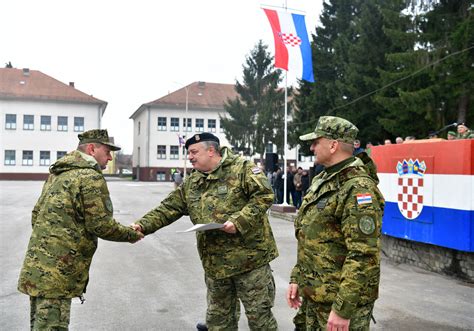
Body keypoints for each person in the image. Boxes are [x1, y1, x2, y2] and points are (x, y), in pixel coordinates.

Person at [131, 132, 279, 331]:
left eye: (193, 152)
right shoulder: (193, 182)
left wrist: (239, 221)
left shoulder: (242, 169)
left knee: (260, 320)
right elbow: (169, 208)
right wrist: (143, 225)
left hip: (250, 262)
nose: (189, 157)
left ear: (211, 151)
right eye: (188, 153)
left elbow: (264, 196)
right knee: (218, 321)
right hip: (216, 266)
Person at [18, 129, 144, 330]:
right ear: (92, 149)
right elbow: (101, 225)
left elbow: (36, 214)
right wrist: (131, 234)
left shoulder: (58, 173)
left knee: (40, 325)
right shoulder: (89, 176)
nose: (110, 157)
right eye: (107, 151)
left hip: (38, 268)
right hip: (59, 272)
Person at [287, 116, 385, 331]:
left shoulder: (358, 188)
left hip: (338, 304)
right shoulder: (322, 180)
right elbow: (309, 237)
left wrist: (342, 309)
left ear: (333, 145)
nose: (312, 147)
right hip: (314, 295)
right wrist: (297, 278)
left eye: (316, 141)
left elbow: (363, 255)